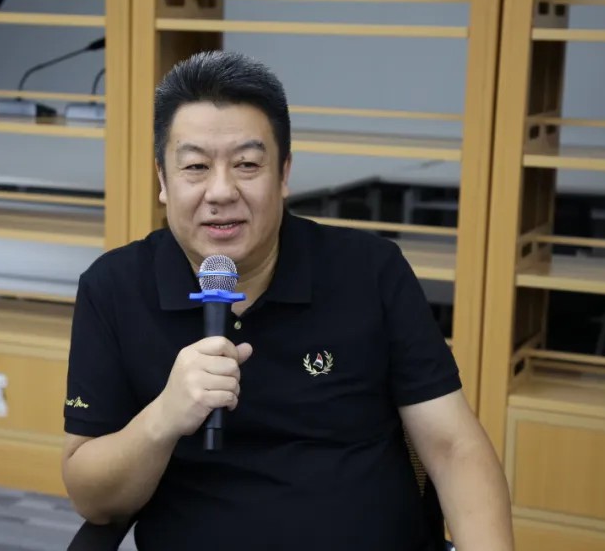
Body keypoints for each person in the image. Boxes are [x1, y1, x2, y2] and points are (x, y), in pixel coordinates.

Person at [61, 50, 514, 551]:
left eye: (246, 165)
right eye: (195, 166)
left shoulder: (370, 271)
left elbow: (454, 448)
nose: (221, 191)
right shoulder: (114, 288)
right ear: (163, 181)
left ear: (283, 174)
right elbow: (91, 497)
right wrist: (163, 418)